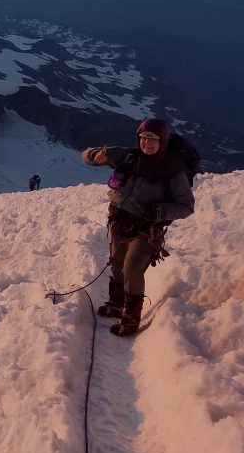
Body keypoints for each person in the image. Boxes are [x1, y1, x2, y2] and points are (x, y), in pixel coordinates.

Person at [82, 117, 195, 335]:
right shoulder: (130, 156)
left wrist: (160, 211)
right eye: (143, 138)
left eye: (153, 139)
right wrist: (95, 156)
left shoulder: (173, 171)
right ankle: (116, 304)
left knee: (132, 268)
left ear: (163, 141)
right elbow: (87, 154)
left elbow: (187, 206)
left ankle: (131, 318)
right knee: (116, 263)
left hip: (147, 228)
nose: (147, 143)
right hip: (120, 222)